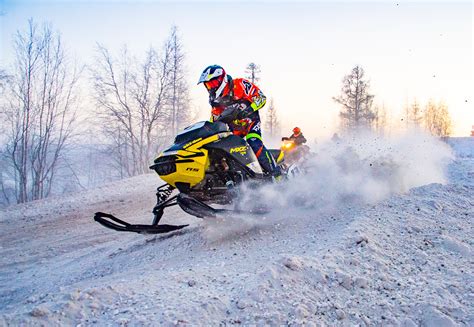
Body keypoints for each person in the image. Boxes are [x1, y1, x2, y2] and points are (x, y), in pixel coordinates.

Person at [198, 65, 280, 178]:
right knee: (223, 151)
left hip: (250, 122)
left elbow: (261, 98)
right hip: (234, 129)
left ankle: (276, 174)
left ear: (222, 79)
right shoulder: (216, 103)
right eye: (207, 85)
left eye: (212, 83)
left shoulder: (239, 84)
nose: (210, 87)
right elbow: (214, 122)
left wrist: (249, 110)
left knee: (253, 141)